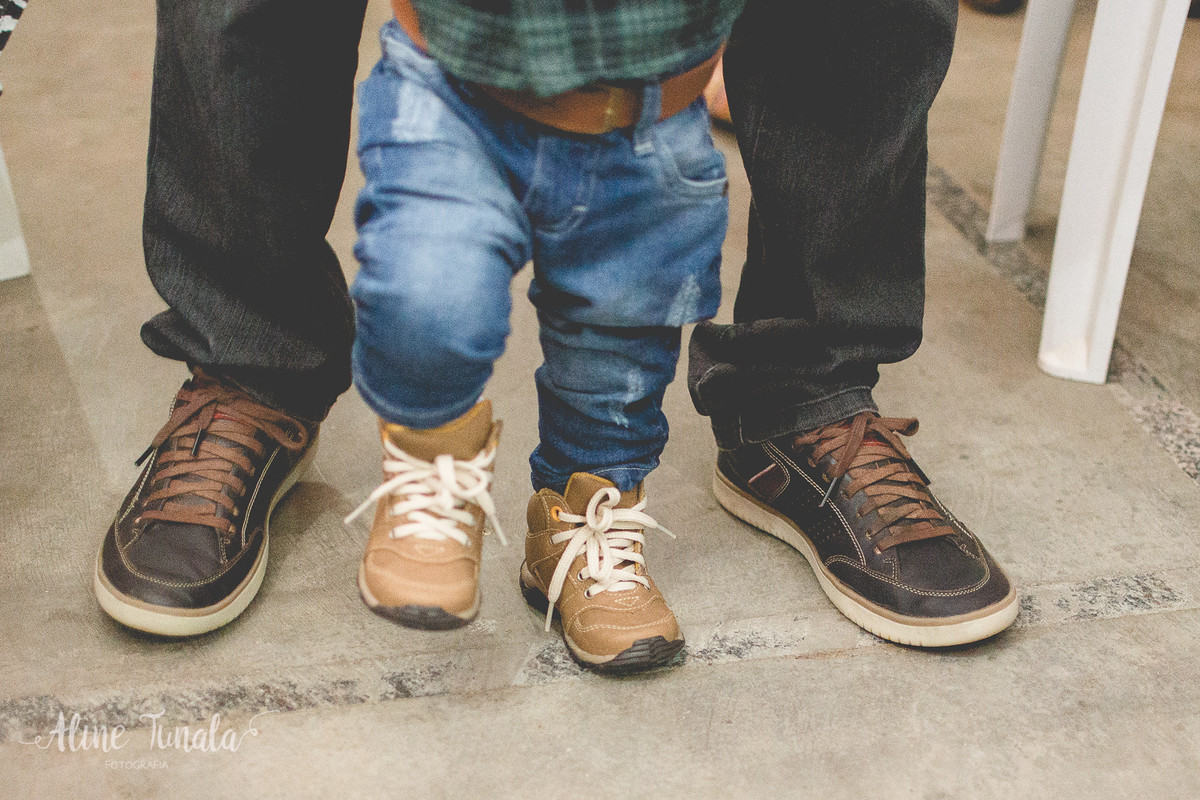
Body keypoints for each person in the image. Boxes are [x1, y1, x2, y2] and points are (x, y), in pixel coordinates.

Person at [94, 0, 1017, 654]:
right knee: (428, 295)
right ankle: (301, 392)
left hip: (652, 113)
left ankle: (602, 512)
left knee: (621, 341)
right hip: (460, 68)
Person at [340, 1, 738, 673]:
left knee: (618, 359)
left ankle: (580, 528)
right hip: (453, 86)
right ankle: (432, 464)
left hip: (651, 115)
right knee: (428, 293)